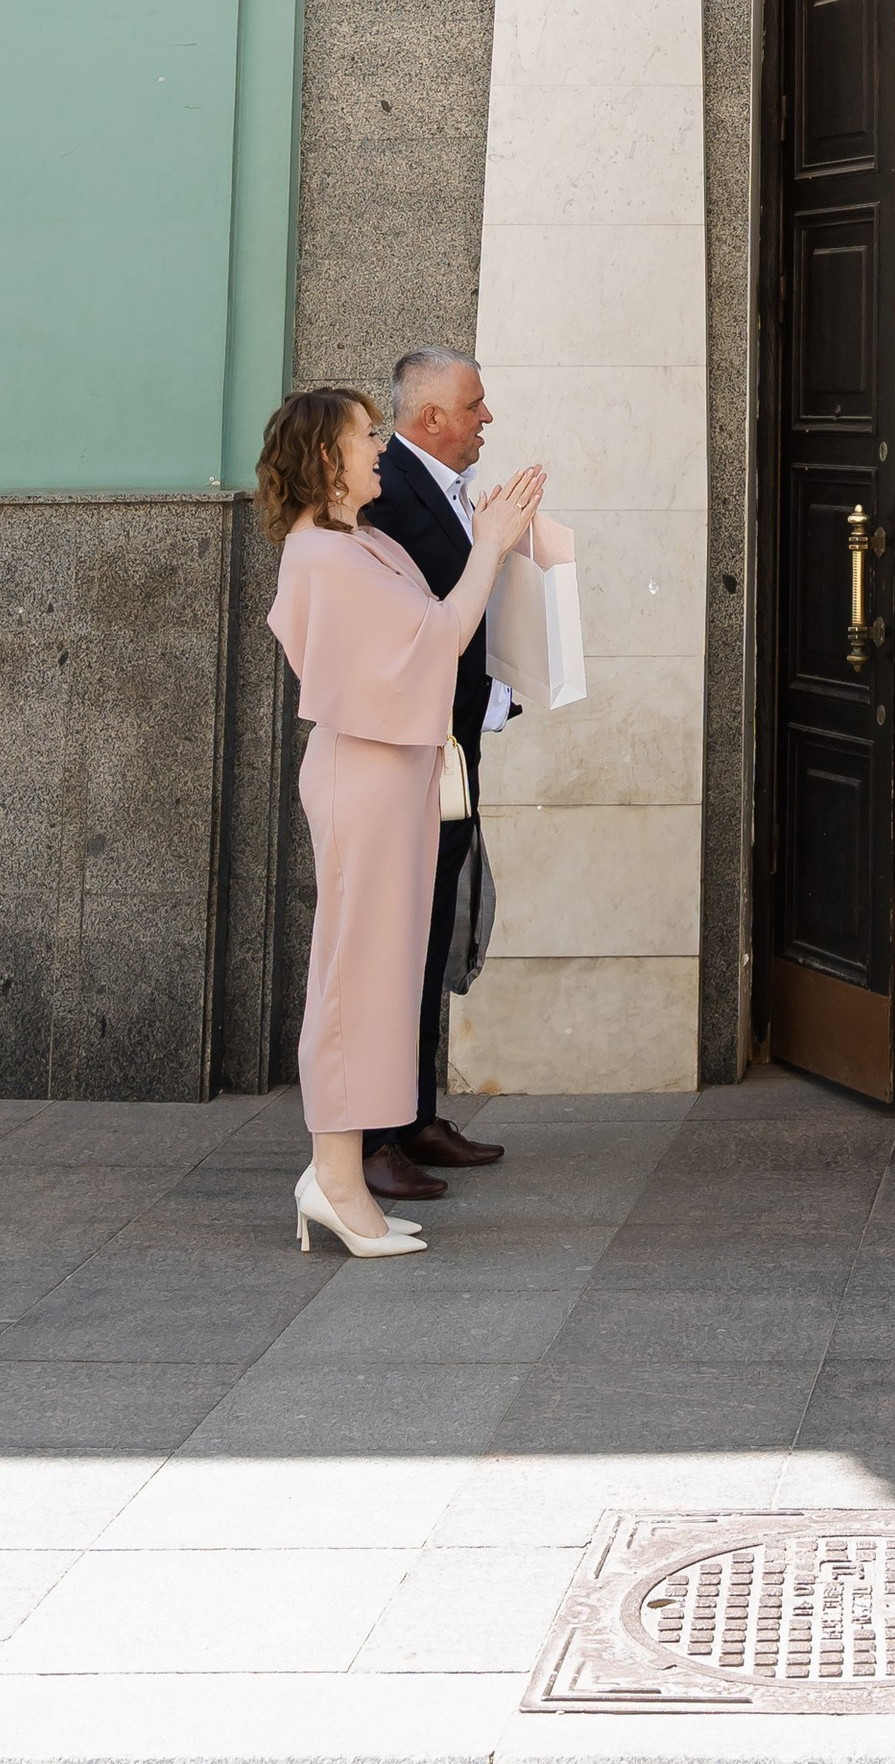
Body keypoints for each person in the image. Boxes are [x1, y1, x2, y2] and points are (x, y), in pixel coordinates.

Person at [260, 384, 542, 1259]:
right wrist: (489, 545)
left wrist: (494, 543)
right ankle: (339, 1180)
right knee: (355, 975)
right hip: (365, 782)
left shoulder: (360, 542)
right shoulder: (322, 557)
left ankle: (335, 1174)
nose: (378, 447)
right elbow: (438, 636)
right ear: (324, 459)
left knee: (379, 972)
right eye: (363, 437)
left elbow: (434, 626)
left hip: (392, 779)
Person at [359, 348, 526, 1205]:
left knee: (432, 937)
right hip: (406, 758)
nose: (485, 420)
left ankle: (416, 1113)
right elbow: (423, 623)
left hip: (454, 749)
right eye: (474, 407)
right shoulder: (384, 493)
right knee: (394, 947)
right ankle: (374, 1136)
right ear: (431, 418)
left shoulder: (446, 486)